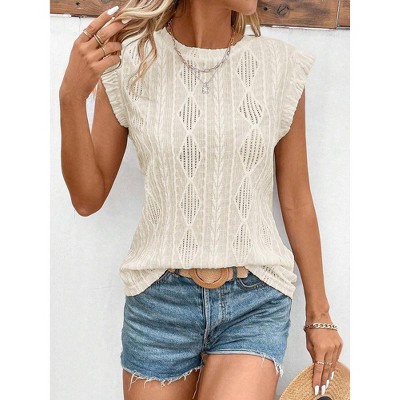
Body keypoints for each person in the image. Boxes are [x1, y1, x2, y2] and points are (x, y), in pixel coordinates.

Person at [59, 1, 344, 399]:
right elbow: (87, 199)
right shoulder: (129, 64)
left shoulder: (279, 66)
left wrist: (320, 315)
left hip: (254, 301)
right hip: (158, 301)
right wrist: (71, 96)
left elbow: (296, 199)